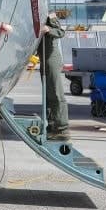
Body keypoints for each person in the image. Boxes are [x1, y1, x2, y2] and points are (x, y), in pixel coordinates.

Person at [40, 11, 70, 141]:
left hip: (51, 58)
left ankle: (61, 128)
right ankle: (52, 127)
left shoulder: (48, 14)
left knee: (56, 94)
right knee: (48, 94)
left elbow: (61, 32)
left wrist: (48, 30)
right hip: (43, 59)